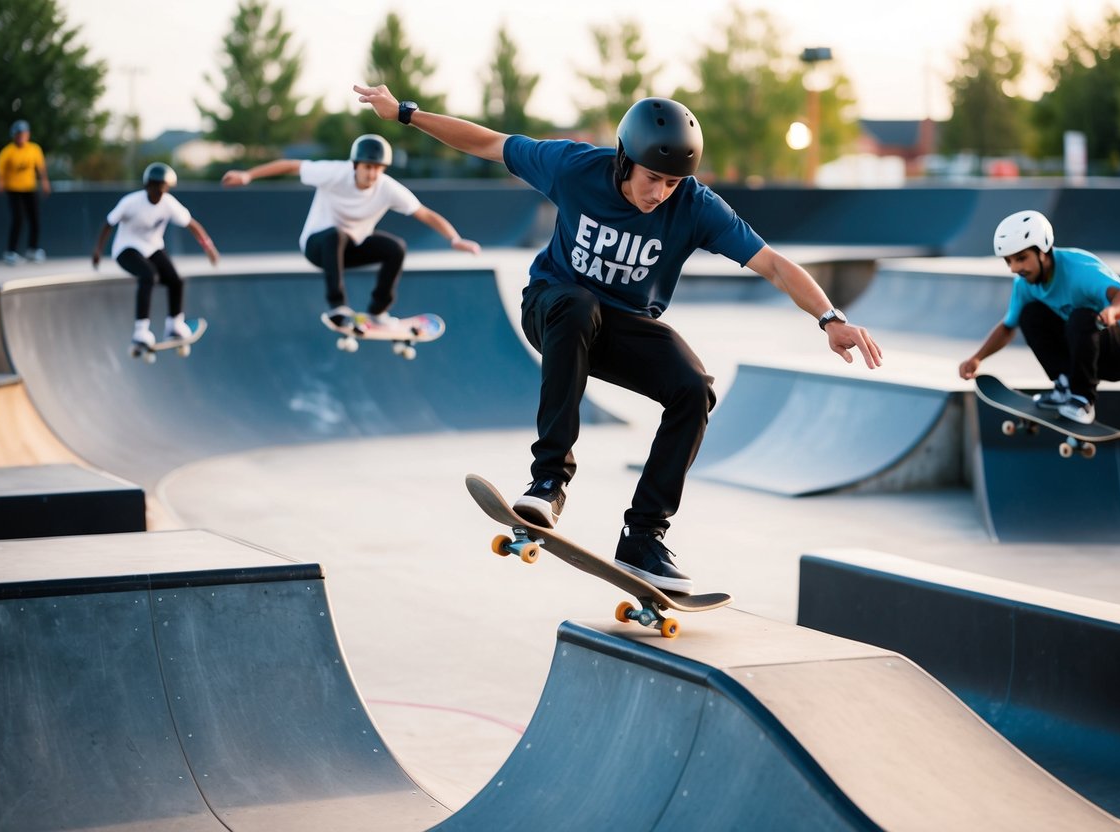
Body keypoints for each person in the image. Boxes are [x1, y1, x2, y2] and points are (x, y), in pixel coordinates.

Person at [354, 84, 883, 594]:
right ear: (625, 159)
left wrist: (830, 318)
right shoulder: (574, 167)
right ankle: (548, 483)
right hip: (553, 308)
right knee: (577, 303)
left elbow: (770, 262)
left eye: (673, 183)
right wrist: (405, 113)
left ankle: (644, 536)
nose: (659, 194)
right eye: (652, 178)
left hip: (625, 325)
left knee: (693, 388)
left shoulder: (695, 206)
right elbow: (490, 143)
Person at [220, 134, 481, 332]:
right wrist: (248, 175)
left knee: (396, 248)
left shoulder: (388, 188)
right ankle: (338, 306)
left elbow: (424, 213)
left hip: (351, 248)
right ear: (355, 165)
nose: (372, 174)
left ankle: (378, 311)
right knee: (337, 234)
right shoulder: (334, 172)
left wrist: (454, 237)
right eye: (368, 167)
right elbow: (290, 165)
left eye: (378, 168)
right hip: (317, 246)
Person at [959, 210, 1120, 425]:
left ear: (1043, 251)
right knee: (1029, 314)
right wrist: (977, 358)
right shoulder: (1024, 284)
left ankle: (1082, 400)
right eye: (1009, 261)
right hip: (1086, 350)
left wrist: (1113, 311)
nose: (1015, 268)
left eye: (1022, 258)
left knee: (1082, 317)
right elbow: (1007, 327)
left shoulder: (1080, 269)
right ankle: (1065, 385)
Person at [91, 163, 219, 348]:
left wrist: (209, 248)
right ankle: (141, 331)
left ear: (166, 188)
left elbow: (192, 224)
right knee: (148, 275)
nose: (158, 193)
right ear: (146, 186)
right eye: (154, 188)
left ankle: (174, 325)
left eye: (162, 189)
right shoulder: (131, 202)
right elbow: (108, 223)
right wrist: (98, 250)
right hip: (126, 249)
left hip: (152, 248)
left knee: (176, 280)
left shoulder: (169, 203)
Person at [0, 119, 51, 265]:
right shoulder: (8, 151)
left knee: (35, 220)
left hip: (29, 188)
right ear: (14, 135)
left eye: (23, 134)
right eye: (18, 134)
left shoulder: (34, 149)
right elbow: (0, 169)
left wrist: (45, 182)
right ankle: (10, 252)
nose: (21, 137)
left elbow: (41, 167)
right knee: (18, 219)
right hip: (14, 189)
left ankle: (32, 250)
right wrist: (0, 183)